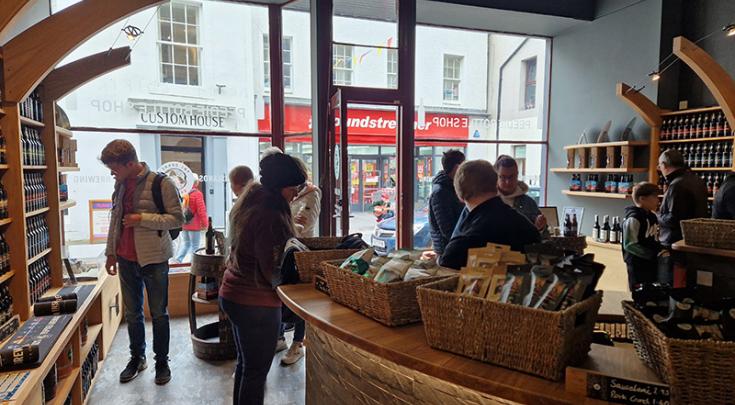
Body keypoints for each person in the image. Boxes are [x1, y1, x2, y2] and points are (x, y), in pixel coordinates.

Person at [219, 151, 306, 405]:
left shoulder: (251, 200)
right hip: (255, 303)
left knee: (246, 367)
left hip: (233, 294)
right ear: (282, 188)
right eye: (293, 189)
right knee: (256, 373)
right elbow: (272, 268)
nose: (294, 195)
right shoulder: (271, 215)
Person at [101, 139, 184, 386]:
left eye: (114, 167)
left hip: (154, 259)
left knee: (159, 314)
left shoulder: (162, 183)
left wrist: (142, 218)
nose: (111, 172)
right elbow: (115, 219)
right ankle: (137, 358)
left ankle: (162, 362)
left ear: (130, 163)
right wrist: (110, 252)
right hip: (125, 259)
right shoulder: (120, 185)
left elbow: (177, 219)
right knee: (132, 314)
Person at [439, 160, 541, 270]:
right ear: (496, 184)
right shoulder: (528, 228)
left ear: (460, 194)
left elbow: (445, 269)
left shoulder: (462, 244)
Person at [278, 157, 319, 366]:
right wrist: (292, 222)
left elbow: (306, 223)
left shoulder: (312, 193)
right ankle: (279, 338)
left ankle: (298, 344)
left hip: (300, 251)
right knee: (281, 291)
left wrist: (289, 223)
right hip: (285, 249)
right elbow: (295, 221)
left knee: (300, 297)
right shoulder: (282, 194)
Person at [657, 149, 708, 285]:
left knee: (673, 287)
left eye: (659, 166)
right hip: (695, 241)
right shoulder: (697, 180)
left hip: (675, 245)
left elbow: (673, 219)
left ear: (664, 165)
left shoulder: (676, 185)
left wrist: (656, 216)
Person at [494, 155, 548, 237]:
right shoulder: (488, 200)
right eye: (503, 177)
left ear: (517, 175)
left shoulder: (529, 203)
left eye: (511, 177)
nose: (507, 182)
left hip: (522, 249)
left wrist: (540, 228)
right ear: (496, 176)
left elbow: (544, 236)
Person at [622, 182, 662, 291]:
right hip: (637, 264)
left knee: (651, 290)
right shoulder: (633, 219)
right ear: (642, 199)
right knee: (639, 292)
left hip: (650, 262)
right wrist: (650, 254)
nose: (658, 200)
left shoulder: (652, 216)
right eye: (654, 197)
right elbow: (629, 244)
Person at [428, 150, 465, 255]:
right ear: (457, 167)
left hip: (451, 247)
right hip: (446, 250)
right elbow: (447, 229)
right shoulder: (441, 192)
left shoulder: (451, 187)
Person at [174, 179, 207, 263]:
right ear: (196, 183)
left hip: (184, 223)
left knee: (186, 244)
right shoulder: (197, 194)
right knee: (195, 246)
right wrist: (205, 223)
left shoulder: (183, 193)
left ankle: (178, 260)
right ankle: (193, 263)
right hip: (194, 224)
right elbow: (201, 210)